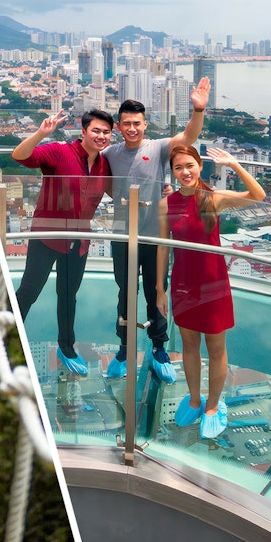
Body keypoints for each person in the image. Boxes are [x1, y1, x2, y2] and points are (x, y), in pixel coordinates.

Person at [102, 78, 210, 382]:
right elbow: (103, 183)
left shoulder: (159, 147)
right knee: (126, 292)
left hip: (155, 235)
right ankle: (124, 347)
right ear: (119, 126)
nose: (132, 128)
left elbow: (188, 136)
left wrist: (198, 110)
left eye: (137, 123)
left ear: (145, 124)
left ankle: (159, 347)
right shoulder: (111, 153)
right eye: (126, 124)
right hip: (123, 233)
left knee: (156, 290)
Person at [155, 145, 265, 439]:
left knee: (216, 349)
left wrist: (234, 165)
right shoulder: (167, 204)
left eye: (189, 165)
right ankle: (194, 399)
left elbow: (258, 196)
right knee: (189, 346)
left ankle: (214, 406)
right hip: (183, 282)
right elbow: (163, 247)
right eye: (178, 168)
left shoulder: (212, 199)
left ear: (200, 166)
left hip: (213, 283)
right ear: (173, 172)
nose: (185, 172)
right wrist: (159, 288)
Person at [12, 109, 113, 376]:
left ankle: (66, 347)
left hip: (79, 240)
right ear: (83, 131)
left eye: (106, 132)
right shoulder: (59, 152)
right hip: (47, 236)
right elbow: (19, 156)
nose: (101, 136)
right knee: (29, 290)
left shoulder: (105, 166)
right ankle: (8, 339)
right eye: (96, 130)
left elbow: (120, 189)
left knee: (68, 295)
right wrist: (41, 134)